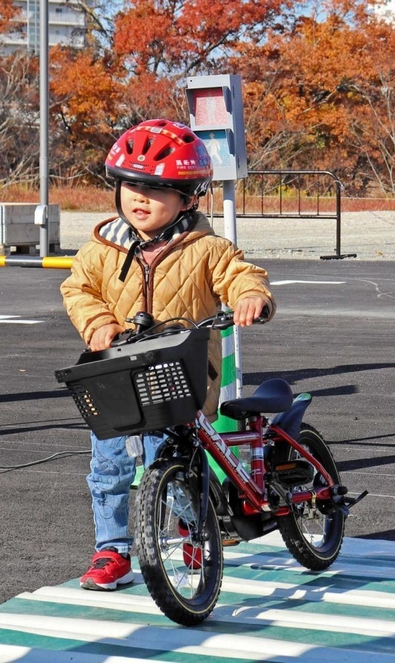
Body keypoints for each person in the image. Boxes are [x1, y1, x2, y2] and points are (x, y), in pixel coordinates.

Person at [61, 119, 276, 590]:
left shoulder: (207, 248)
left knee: (175, 460)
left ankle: (194, 530)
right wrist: (98, 323)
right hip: (116, 373)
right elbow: (78, 289)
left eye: (157, 189)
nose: (140, 198)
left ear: (188, 198)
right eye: (131, 186)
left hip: (180, 372)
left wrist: (249, 296)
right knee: (110, 466)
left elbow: (241, 273)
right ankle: (111, 550)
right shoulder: (102, 248)